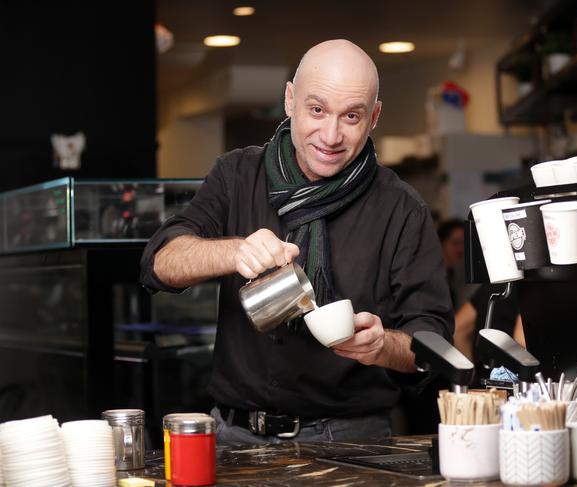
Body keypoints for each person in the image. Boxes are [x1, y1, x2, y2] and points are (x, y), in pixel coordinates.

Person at [140, 39, 454, 445]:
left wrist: (383, 347)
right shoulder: (237, 175)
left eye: (352, 116)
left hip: (351, 439)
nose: (331, 134)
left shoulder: (401, 208)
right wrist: (235, 251)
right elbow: (160, 263)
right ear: (290, 101)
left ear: (374, 117)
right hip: (236, 435)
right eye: (317, 109)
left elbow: (432, 342)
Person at [436, 218, 465, 309]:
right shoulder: (432, 276)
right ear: (441, 242)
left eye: (464, 244)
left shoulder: (450, 274)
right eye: (455, 243)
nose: (461, 249)